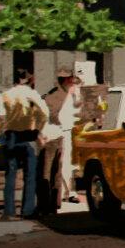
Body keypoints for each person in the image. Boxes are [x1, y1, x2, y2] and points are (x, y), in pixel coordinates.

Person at [0, 68, 48, 220]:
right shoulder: (32, 94)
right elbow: (44, 112)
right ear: (28, 79)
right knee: (30, 175)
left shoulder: (6, 94)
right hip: (28, 136)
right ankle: (27, 210)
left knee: (10, 175)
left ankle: (9, 210)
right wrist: (39, 128)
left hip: (11, 136)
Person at [42, 68, 82, 208]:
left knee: (66, 163)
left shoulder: (69, 94)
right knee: (63, 163)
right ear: (64, 80)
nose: (73, 82)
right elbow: (54, 115)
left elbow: (75, 112)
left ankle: (65, 192)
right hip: (60, 132)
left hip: (68, 130)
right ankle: (67, 193)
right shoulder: (56, 95)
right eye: (70, 79)